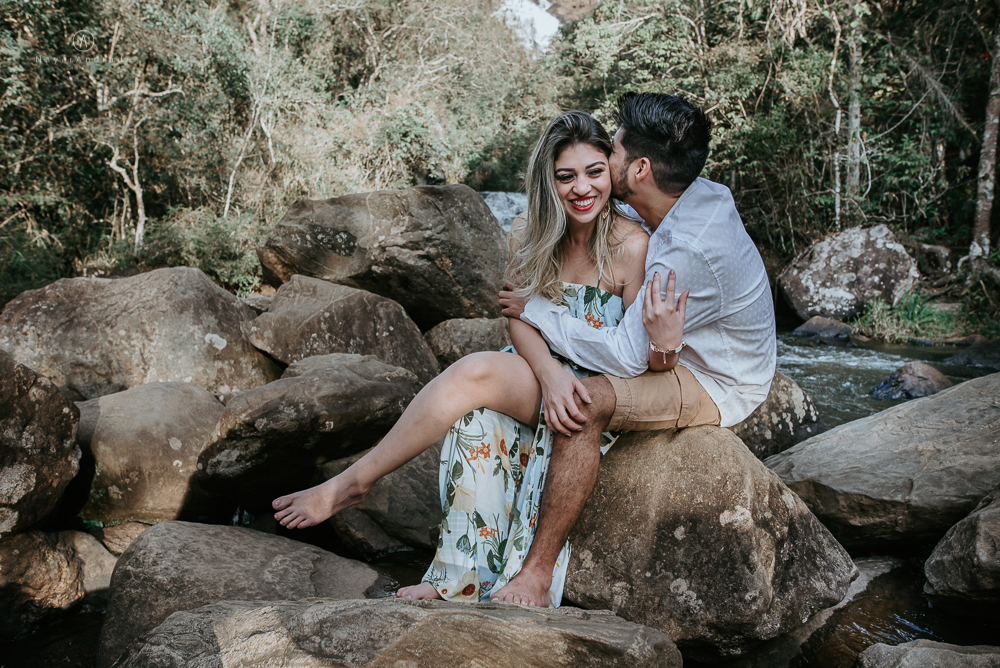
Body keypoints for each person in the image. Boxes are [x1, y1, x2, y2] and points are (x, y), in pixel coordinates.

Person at [271, 109, 683, 604]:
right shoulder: (529, 231)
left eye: (595, 172)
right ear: (547, 180)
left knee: (475, 372)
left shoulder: (633, 246)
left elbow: (644, 360)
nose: (582, 188)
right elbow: (518, 316)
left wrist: (665, 343)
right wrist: (548, 375)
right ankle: (456, 579)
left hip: (592, 388)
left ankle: (352, 483)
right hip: (537, 370)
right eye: (565, 176)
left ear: (611, 174)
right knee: (477, 423)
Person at [491, 92, 777, 606]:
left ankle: (536, 572)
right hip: (680, 348)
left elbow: (625, 357)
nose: (610, 147)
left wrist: (535, 309)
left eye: (616, 147)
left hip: (717, 378)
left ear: (640, 168)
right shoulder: (688, 192)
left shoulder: (684, 252)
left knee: (587, 401)